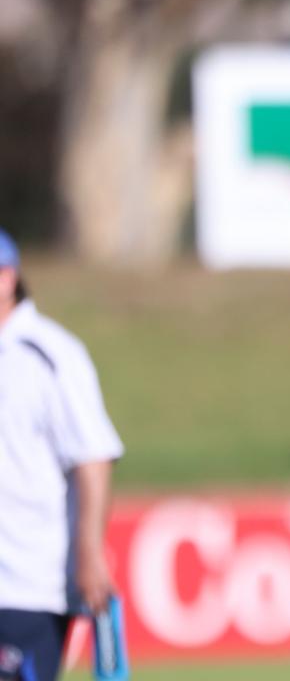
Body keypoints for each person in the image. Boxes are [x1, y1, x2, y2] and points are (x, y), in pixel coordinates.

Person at [0, 229, 124, 681]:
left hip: (29, 582)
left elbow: (92, 457)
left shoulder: (52, 355)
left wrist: (88, 552)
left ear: (7, 278)